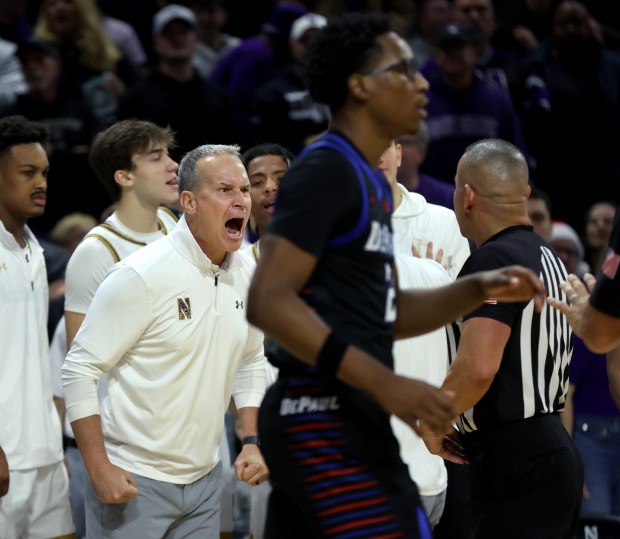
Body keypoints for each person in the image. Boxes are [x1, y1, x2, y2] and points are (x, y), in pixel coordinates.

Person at [245, 13, 547, 538]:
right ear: (360, 86)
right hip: (319, 417)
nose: (423, 79)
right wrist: (388, 383)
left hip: (350, 416)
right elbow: (268, 301)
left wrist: (474, 289)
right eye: (403, 69)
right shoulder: (325, 171)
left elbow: (381, 309)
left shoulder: (367, 186)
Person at [61, 143, 269, 537]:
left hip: (207, 478)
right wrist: (98, 466)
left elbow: (250, 360)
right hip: (133, 479)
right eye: (225, 190)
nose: (241, 200)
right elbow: (78, 369)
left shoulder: (247, 272)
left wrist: (251, 438)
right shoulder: (140, 275)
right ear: (188, 201)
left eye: (244, 189)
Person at [421, 138, 583, 539]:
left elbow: (478, 367)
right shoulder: (549, 257)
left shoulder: (495, 258)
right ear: (524, 194)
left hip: (517, 459)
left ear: (468, 196)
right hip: (548, 450)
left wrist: (433, 421)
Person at [53, 119, 180, 537]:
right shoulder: (95, 252)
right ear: (124, 176)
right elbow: (80, 366)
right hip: (129, 448)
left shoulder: (178, 230)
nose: (173, 165)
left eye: (169, 154)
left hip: (188, 435)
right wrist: (99, 463)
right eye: (156, 157)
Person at [0, 115, 75, 538]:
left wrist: (53, 445)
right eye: (28, 173)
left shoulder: (38, 252)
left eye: (45, 172)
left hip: (44, 453)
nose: (41, 182)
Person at [116, 3, 236, 161]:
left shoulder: (218, 97)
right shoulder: (136, 98)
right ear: (155, 42)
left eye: (183, 32)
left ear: (196, 38)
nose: (177, 39)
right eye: (168, 34)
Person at [379, 138, 470, 279]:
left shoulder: (445, 222)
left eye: (384, 146)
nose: (378, 158)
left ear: (398, 155)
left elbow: (469, 298)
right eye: (365, 148)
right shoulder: (336, 223)